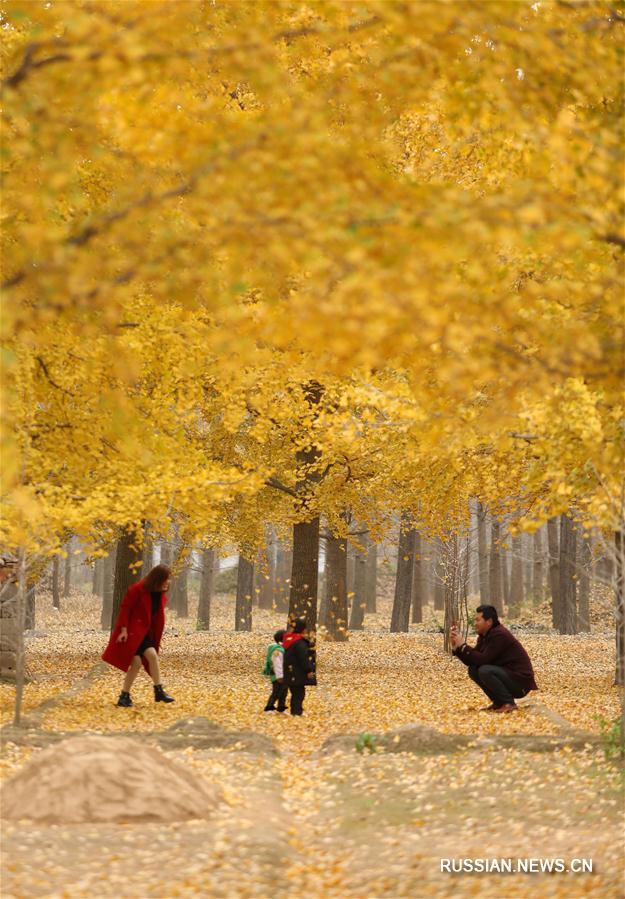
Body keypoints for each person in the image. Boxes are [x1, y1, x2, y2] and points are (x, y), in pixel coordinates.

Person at [102, 563, 175, 707]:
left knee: (137, 663)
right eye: (166, 579)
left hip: (144, 634)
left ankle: (124, 696)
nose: (168, 581)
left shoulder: (159, 594)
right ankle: (158, 691)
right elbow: (125, 609)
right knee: (149, 657)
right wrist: (123, 630)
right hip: (132, 633)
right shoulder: (137, 589)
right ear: (157, 579)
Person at [450, 604, 537, 713]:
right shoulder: (485, 635)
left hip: (520, 683)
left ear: (489, 621)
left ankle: (508, 703)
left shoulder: (499, 634)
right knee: (473, 670)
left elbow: (483, 660)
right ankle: (499, 702)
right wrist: (457, 647)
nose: (475, 624)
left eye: (478, 620)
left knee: (485, 670)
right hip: (509, 676)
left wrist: (463, 646)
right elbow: (473, 661)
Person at [283, 618, 316, 716]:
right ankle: (296, 712)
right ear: (302, 629)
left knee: (295, 692)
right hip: (297, 672)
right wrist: (308, 670)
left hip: (289, 671)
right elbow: (303, 658)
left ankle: (296, 711)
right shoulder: (299, 642)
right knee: (299, 693)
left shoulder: (289, 639)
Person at [263, 629, 287, 712]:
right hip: (277, 676)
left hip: (283, 675)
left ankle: (281, 706)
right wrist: (279, 676)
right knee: (276, 692)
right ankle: (269, 706)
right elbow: (277, 665)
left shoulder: (282, 649)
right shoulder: (277, 651)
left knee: (284, 692)